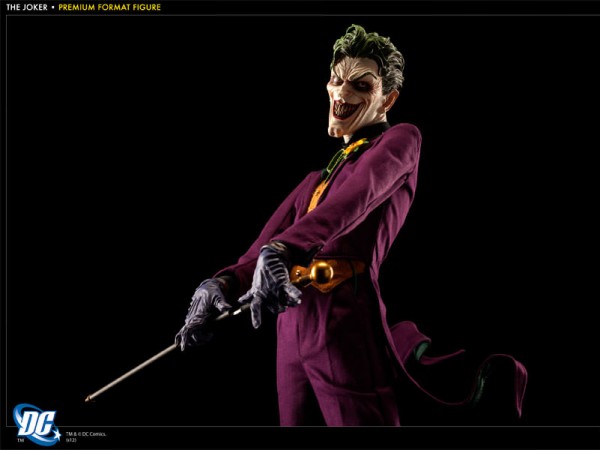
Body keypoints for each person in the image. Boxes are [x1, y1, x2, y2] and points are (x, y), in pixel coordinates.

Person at [175, 24, 527, 426]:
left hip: (343, 316)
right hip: (292, 322)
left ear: (387, 98)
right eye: (337, 80)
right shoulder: (315, 180)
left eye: (361, 85)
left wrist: (284, 249)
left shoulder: (400, 140)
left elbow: (354, 200)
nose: (342, 94)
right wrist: (220, 285)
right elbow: (260, 248)